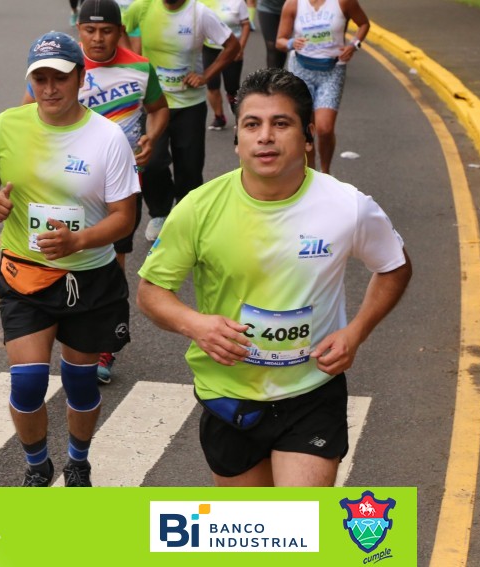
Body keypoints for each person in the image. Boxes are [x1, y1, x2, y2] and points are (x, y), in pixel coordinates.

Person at [136, 68, 411, 487]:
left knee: (300, 525)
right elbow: (151, 291)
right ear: (237, 140)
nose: (265, 136)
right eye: (252, 124)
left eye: (281, 123)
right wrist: (196, 325)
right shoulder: (197, 208)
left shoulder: (346, 206)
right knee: (256, 527)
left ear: (307, 137)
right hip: (229, 395)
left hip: (312, 391)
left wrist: (355, 332)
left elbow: (394, 265)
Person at [0, 32, 140, 487]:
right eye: (40, 78)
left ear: (80, 78)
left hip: (89, 279)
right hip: (25, 275)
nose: (49, 89)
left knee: (80, 382)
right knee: (27, 383)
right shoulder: (6, 125)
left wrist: (78, 241)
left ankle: (78, 462)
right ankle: (37, 465)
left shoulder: (107, 138)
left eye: (59, 78)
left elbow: (125, 217)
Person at [22, 1, 170, 384]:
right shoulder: (61, 70)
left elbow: (159, 108)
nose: (98, 38)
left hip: (120, 184)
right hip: (68, 185)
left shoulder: (141, 68)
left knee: (112, 262)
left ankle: (103, 345)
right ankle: (56, 327)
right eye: (90, 30)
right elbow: (25, 118)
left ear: (119, 32)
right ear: (79, 31)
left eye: (106, 31)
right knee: (60, 257)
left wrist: (151, 137)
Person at [123, 0, 240, 241]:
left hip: (189, 105)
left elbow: (232, 46)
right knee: (151, 162)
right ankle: (160, 213)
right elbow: (117, 28)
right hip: (154, 104)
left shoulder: (199, 13)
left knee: (189, 167)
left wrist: (206, 76)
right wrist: (132, 64)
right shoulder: (143, 7)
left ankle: (187, 216)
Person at [276, 0, 369, 174]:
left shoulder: (343, 2)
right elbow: (279, 41)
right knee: (305, 129)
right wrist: (291, 43)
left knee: (324, 128)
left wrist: (353, 46)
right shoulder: (293, 4)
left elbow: (363, 24)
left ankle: (325, 172)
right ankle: (310, 173)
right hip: (300, 70)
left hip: (332, 70)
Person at [201, 0, 251, 130]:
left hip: (232, 49)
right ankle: (219, 117)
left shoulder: (238, 2)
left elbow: (246, 25)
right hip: (210, 49)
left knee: (232, 88)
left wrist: (241, 47)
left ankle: (238, 115)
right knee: (212, 85)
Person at [255, 0, 287, 68]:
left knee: (283, 45)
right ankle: (272, 73)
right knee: (271, 46)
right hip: (267, 7)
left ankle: (280, 71)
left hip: (289, 7)